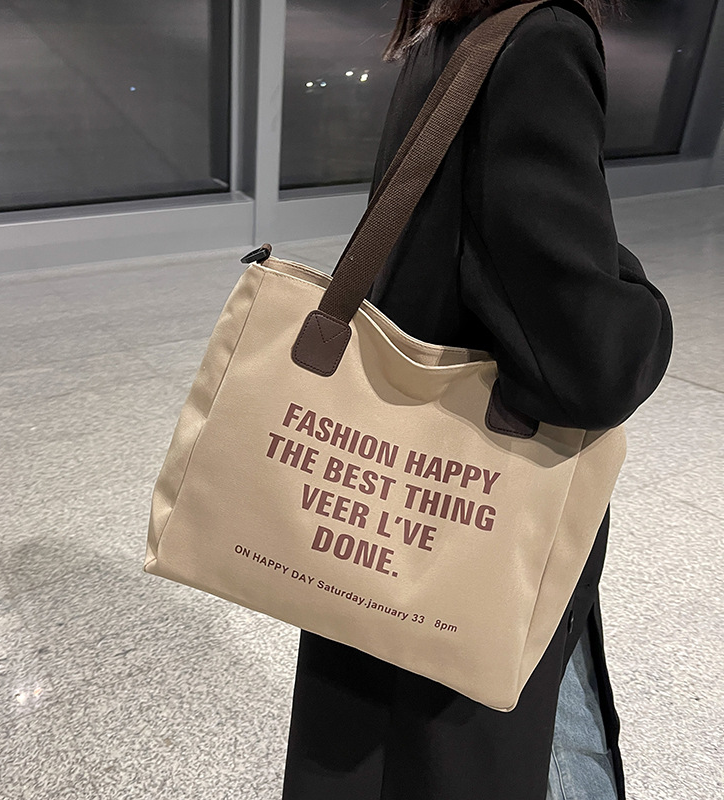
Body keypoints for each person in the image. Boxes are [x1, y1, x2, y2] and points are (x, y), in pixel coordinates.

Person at [281, 0, 674, 798]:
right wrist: (637, 292)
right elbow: (585, 365)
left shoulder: (443, 32)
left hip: (404, 519)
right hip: (477, 530)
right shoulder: (542, 38)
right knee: (514, 738)